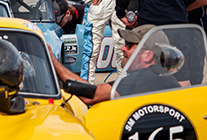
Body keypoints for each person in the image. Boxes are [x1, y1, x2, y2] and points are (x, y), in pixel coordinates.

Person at [49, 25, 180, 105]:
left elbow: (89, 96)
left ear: (147, 55)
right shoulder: (160, 76)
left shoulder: (145, 77)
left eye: (129, 45)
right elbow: (94, 91)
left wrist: (52, 61)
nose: (123, 48)